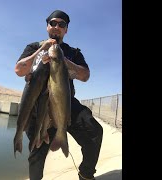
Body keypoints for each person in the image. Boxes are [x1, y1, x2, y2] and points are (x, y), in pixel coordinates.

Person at [14, 10, 103, 180]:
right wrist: (42, 49)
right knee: (36, 153)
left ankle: (86, 173)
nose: (57, 27)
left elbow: (85, 76)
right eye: (53, 23)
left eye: (61, 24)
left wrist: (66, 62)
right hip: (38, 104)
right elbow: (19, 70)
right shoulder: (33, 47)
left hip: (65, 102)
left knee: (94, 131)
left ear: (66, 30)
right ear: (47, 27)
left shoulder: (74, 52)